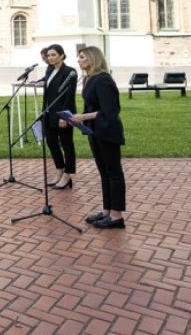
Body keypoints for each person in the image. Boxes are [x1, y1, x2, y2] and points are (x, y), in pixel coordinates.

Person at [68, 46, 127, 230]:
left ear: (93, 59)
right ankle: (107, 211)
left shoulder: (103, 80)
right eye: (78, 57)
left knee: (113, 172)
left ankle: (117, 217)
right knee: (104, 172)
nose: (78, 60)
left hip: (107, 131)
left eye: (82, 57)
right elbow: (91, 106)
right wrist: (77, 120)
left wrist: (83, 117)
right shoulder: (89, 79)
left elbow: (110, 111)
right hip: (94, 131)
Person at [40, 45, 78, 189]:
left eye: (53, 55)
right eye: (48, 55)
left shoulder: (70, 72)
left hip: (63, 114)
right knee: (51, 142)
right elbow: (48, 91)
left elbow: (69, 96)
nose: (50, 58)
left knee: (67, 144)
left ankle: (68, 175)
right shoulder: (49, 70)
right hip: (49, 113)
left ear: (62, 55)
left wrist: (64, 116)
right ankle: (59, 170)